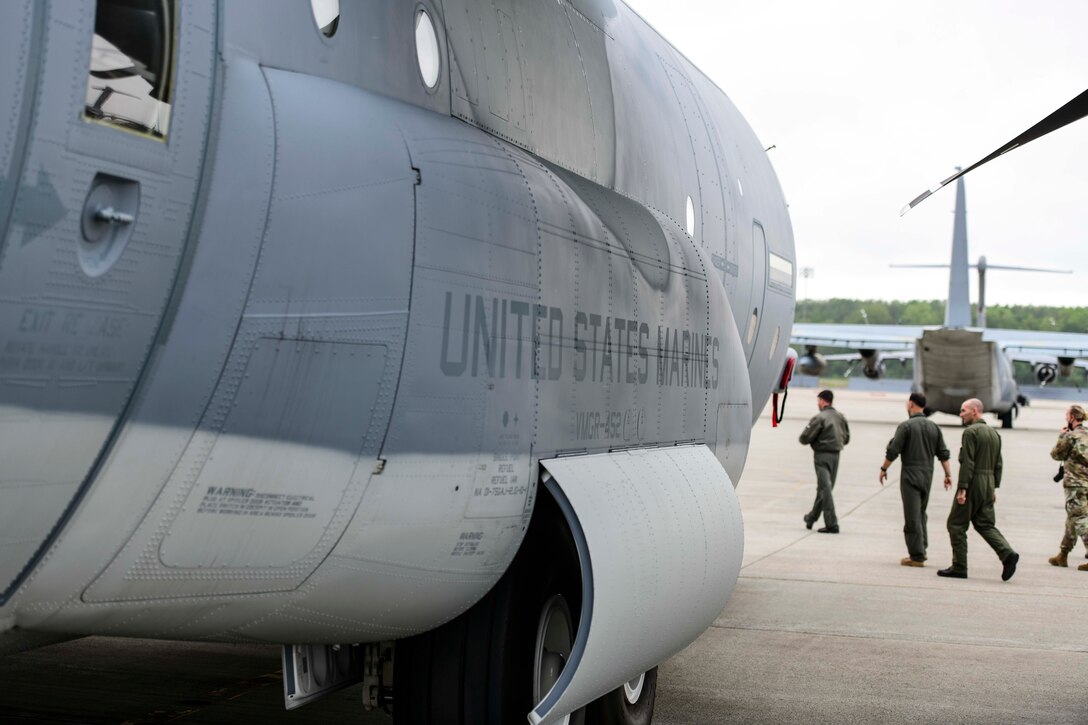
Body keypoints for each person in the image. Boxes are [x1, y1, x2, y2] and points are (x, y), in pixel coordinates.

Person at [937, 398, 1019, 581]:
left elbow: (968, 462)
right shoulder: (994, 434)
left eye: (963, 410)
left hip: (973, 482)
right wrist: (994, 487)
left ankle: (959, 566)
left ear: (975, 411)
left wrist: (962, 488)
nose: (961, 414)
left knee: (956, 524)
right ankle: (1007, 554)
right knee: (985, 524)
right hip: (988, 483)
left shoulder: (971, 433)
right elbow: (999, 463)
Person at [879, 392, 952, 567]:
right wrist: (948, 475)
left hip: (910, 474)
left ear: (911, 404)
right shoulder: (934, 427)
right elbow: (943, 454)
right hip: (928, 475)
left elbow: (893, 451)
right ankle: (922, 548)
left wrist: (884, 468)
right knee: (921, 513)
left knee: (911, 516)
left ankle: (917, 555)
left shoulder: (906, 427)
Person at [800, 389, 850, 533]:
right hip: (836, 455)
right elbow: (846, 438)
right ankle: (811, 517)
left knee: (825, 489)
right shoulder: (841, 417)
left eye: (818, 401)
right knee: (825, 488)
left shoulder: (820, 418)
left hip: (821, 456)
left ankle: (832, 523)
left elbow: (804, 438)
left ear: (822, 401)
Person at [1047, 404, 1088, 570]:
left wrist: (1062, 436)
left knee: (1080, 519)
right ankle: (1063, 554)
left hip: (1075, 485)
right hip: (1086, 484)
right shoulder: (1086, 435)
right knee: (1073, 518)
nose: (1065, 418)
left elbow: (1056, 455)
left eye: (1067, 415)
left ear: (1072, 418)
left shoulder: (1071, 436)